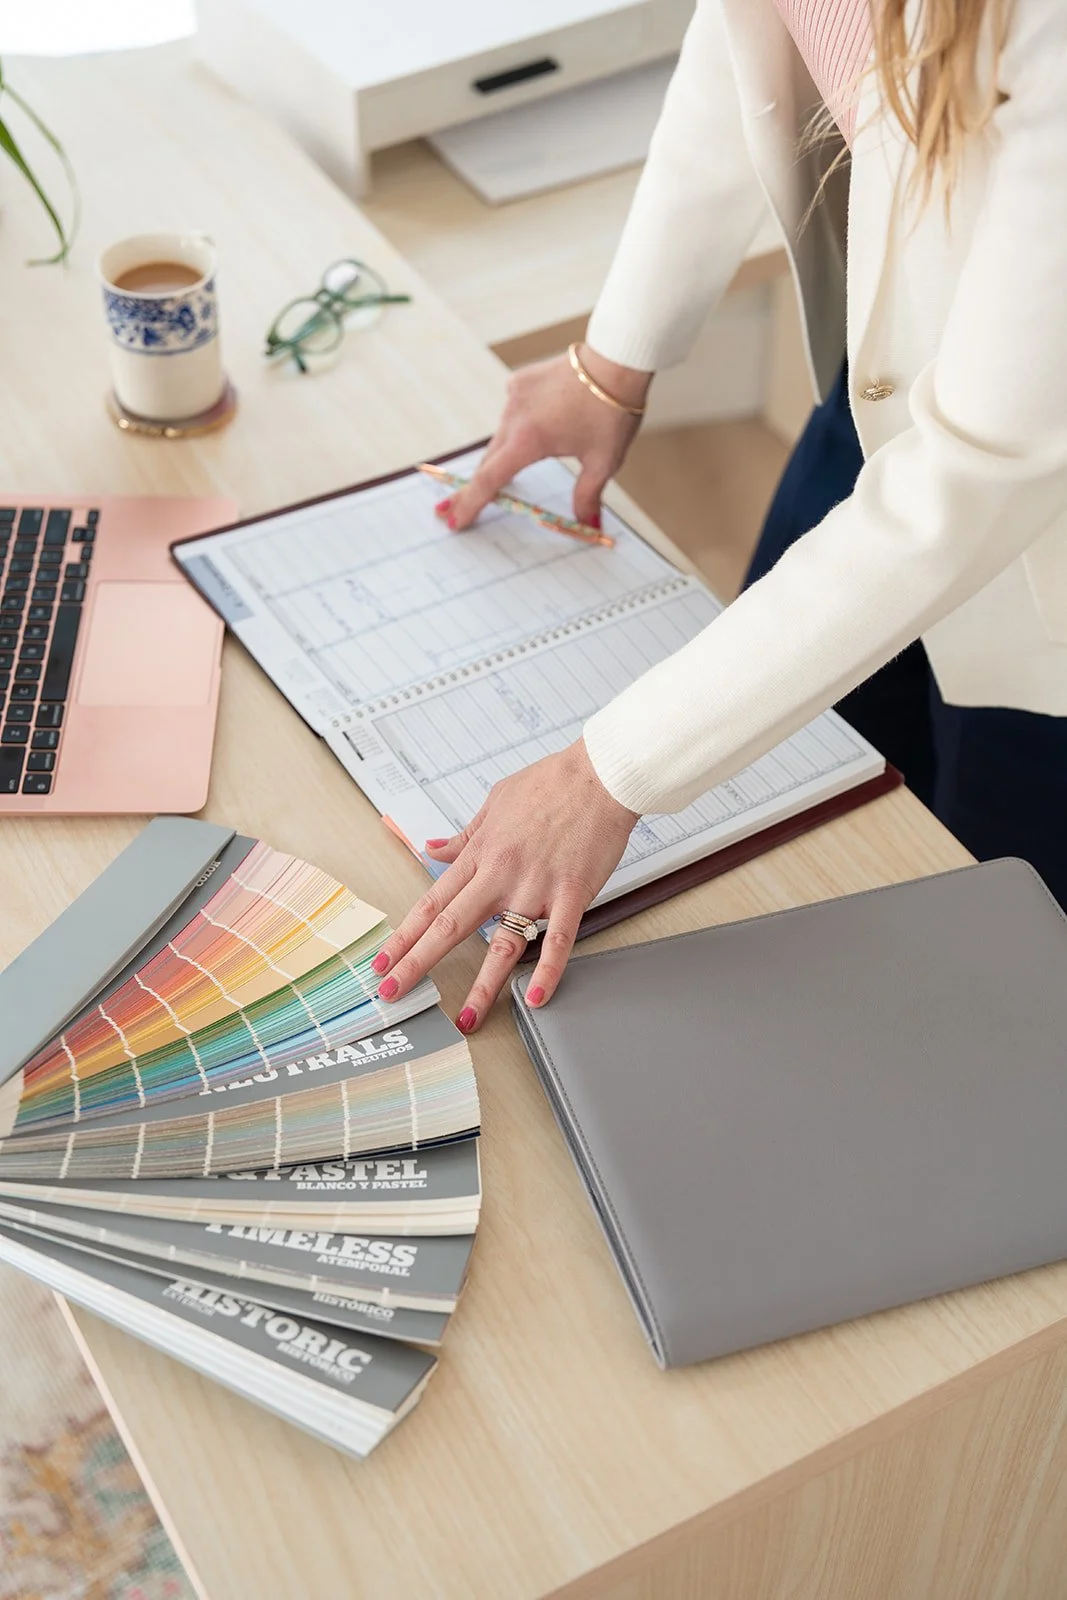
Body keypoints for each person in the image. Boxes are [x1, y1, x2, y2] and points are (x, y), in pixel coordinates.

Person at [370, 0, 1067, 1034]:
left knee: (980, 925)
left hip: (1021, 500)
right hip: (888, 399)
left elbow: (980, 469)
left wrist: (604, 774)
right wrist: (612, 359)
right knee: (801, 803)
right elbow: (750, 40)